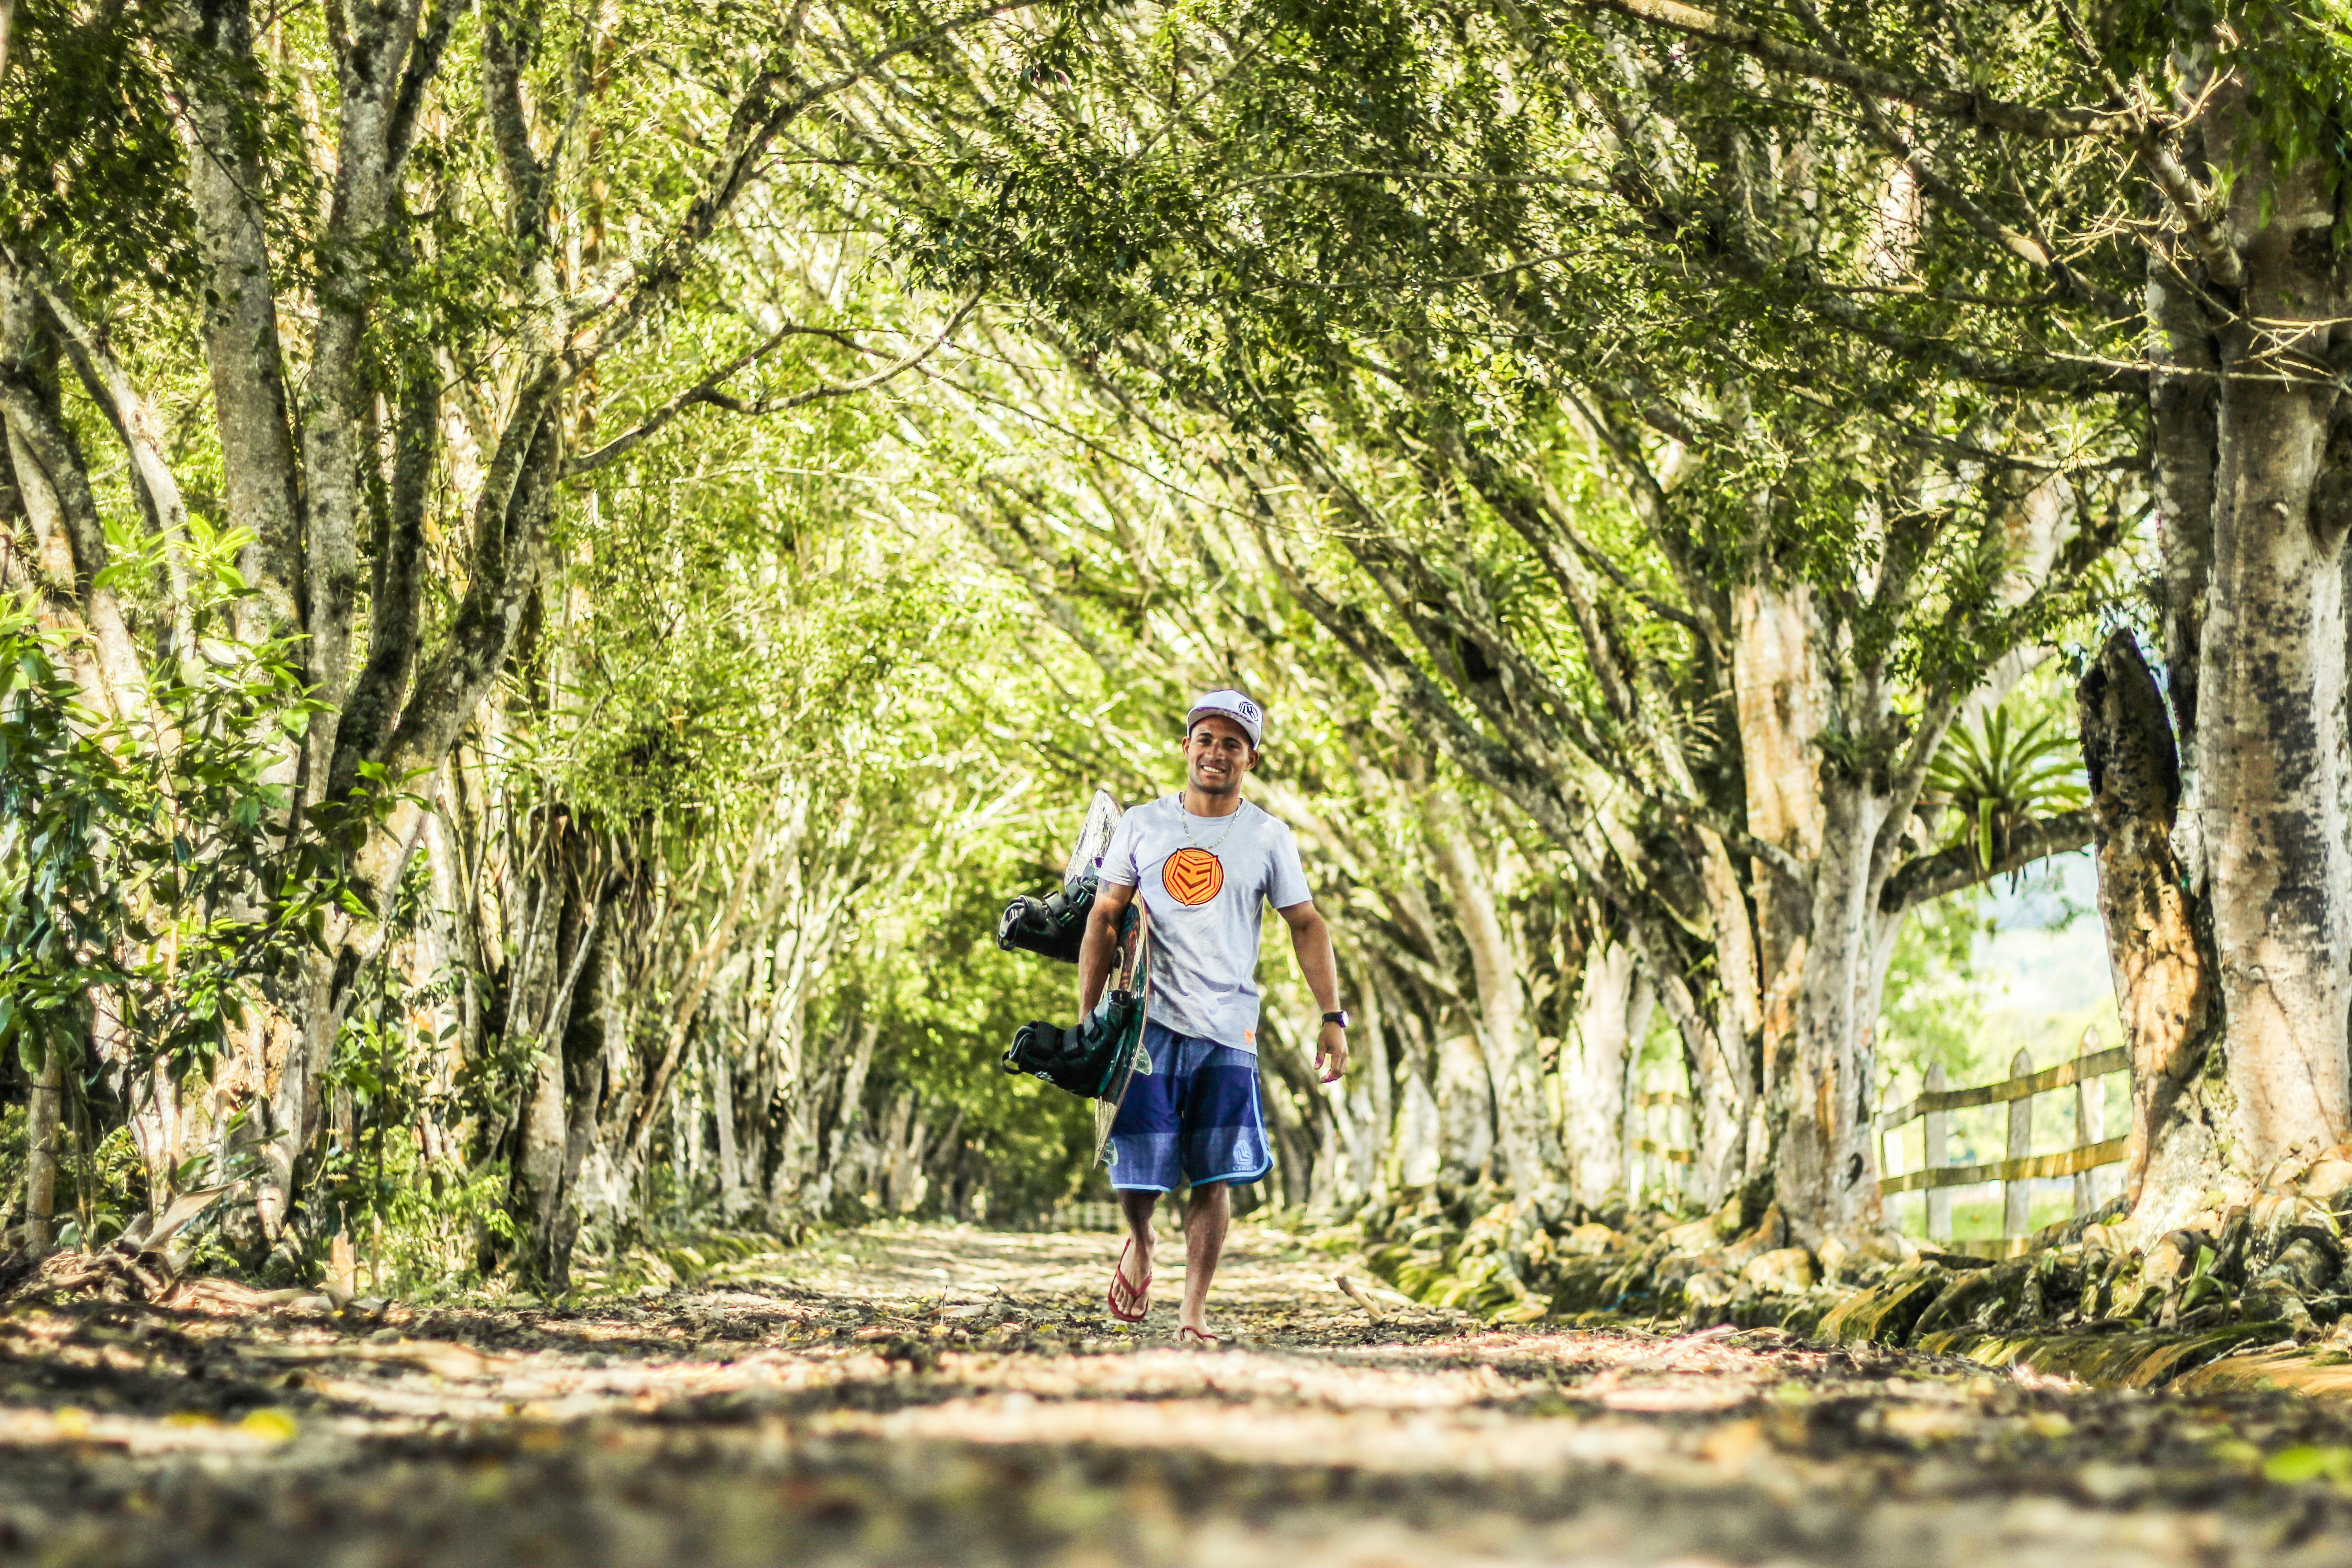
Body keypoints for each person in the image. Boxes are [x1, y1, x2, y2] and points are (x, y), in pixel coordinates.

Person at [1077, 689, 1348, 1345]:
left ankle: (1193, 1313)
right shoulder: (1143, 823)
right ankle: (1141, 1241)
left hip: (1230, 1025)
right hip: (1147, 1019)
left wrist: (1332, 1016)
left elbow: (1306, 924)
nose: (1216, 753)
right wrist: (1087, 1016)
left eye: (1232, 743)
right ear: (1186, 746)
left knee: (1217, 1172)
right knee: (1138, 1165)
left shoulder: (1267, 835)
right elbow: (1105, 916)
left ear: (1250, 758)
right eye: (1206, 739)